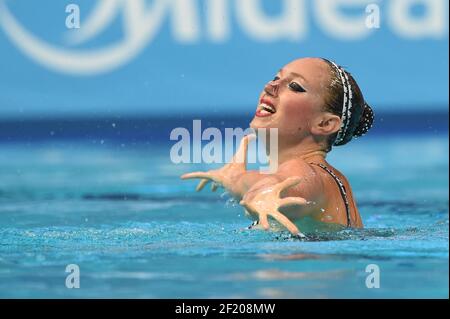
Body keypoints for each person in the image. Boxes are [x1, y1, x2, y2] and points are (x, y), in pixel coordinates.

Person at [181, 57, 374, 238]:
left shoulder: (303, 170)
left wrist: (265, 193)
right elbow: (267, 181)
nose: (270, 86)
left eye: (295, 86)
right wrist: (236, 180)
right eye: (276, 78)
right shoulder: (331, 178)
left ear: (325, 124)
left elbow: (290, 187)